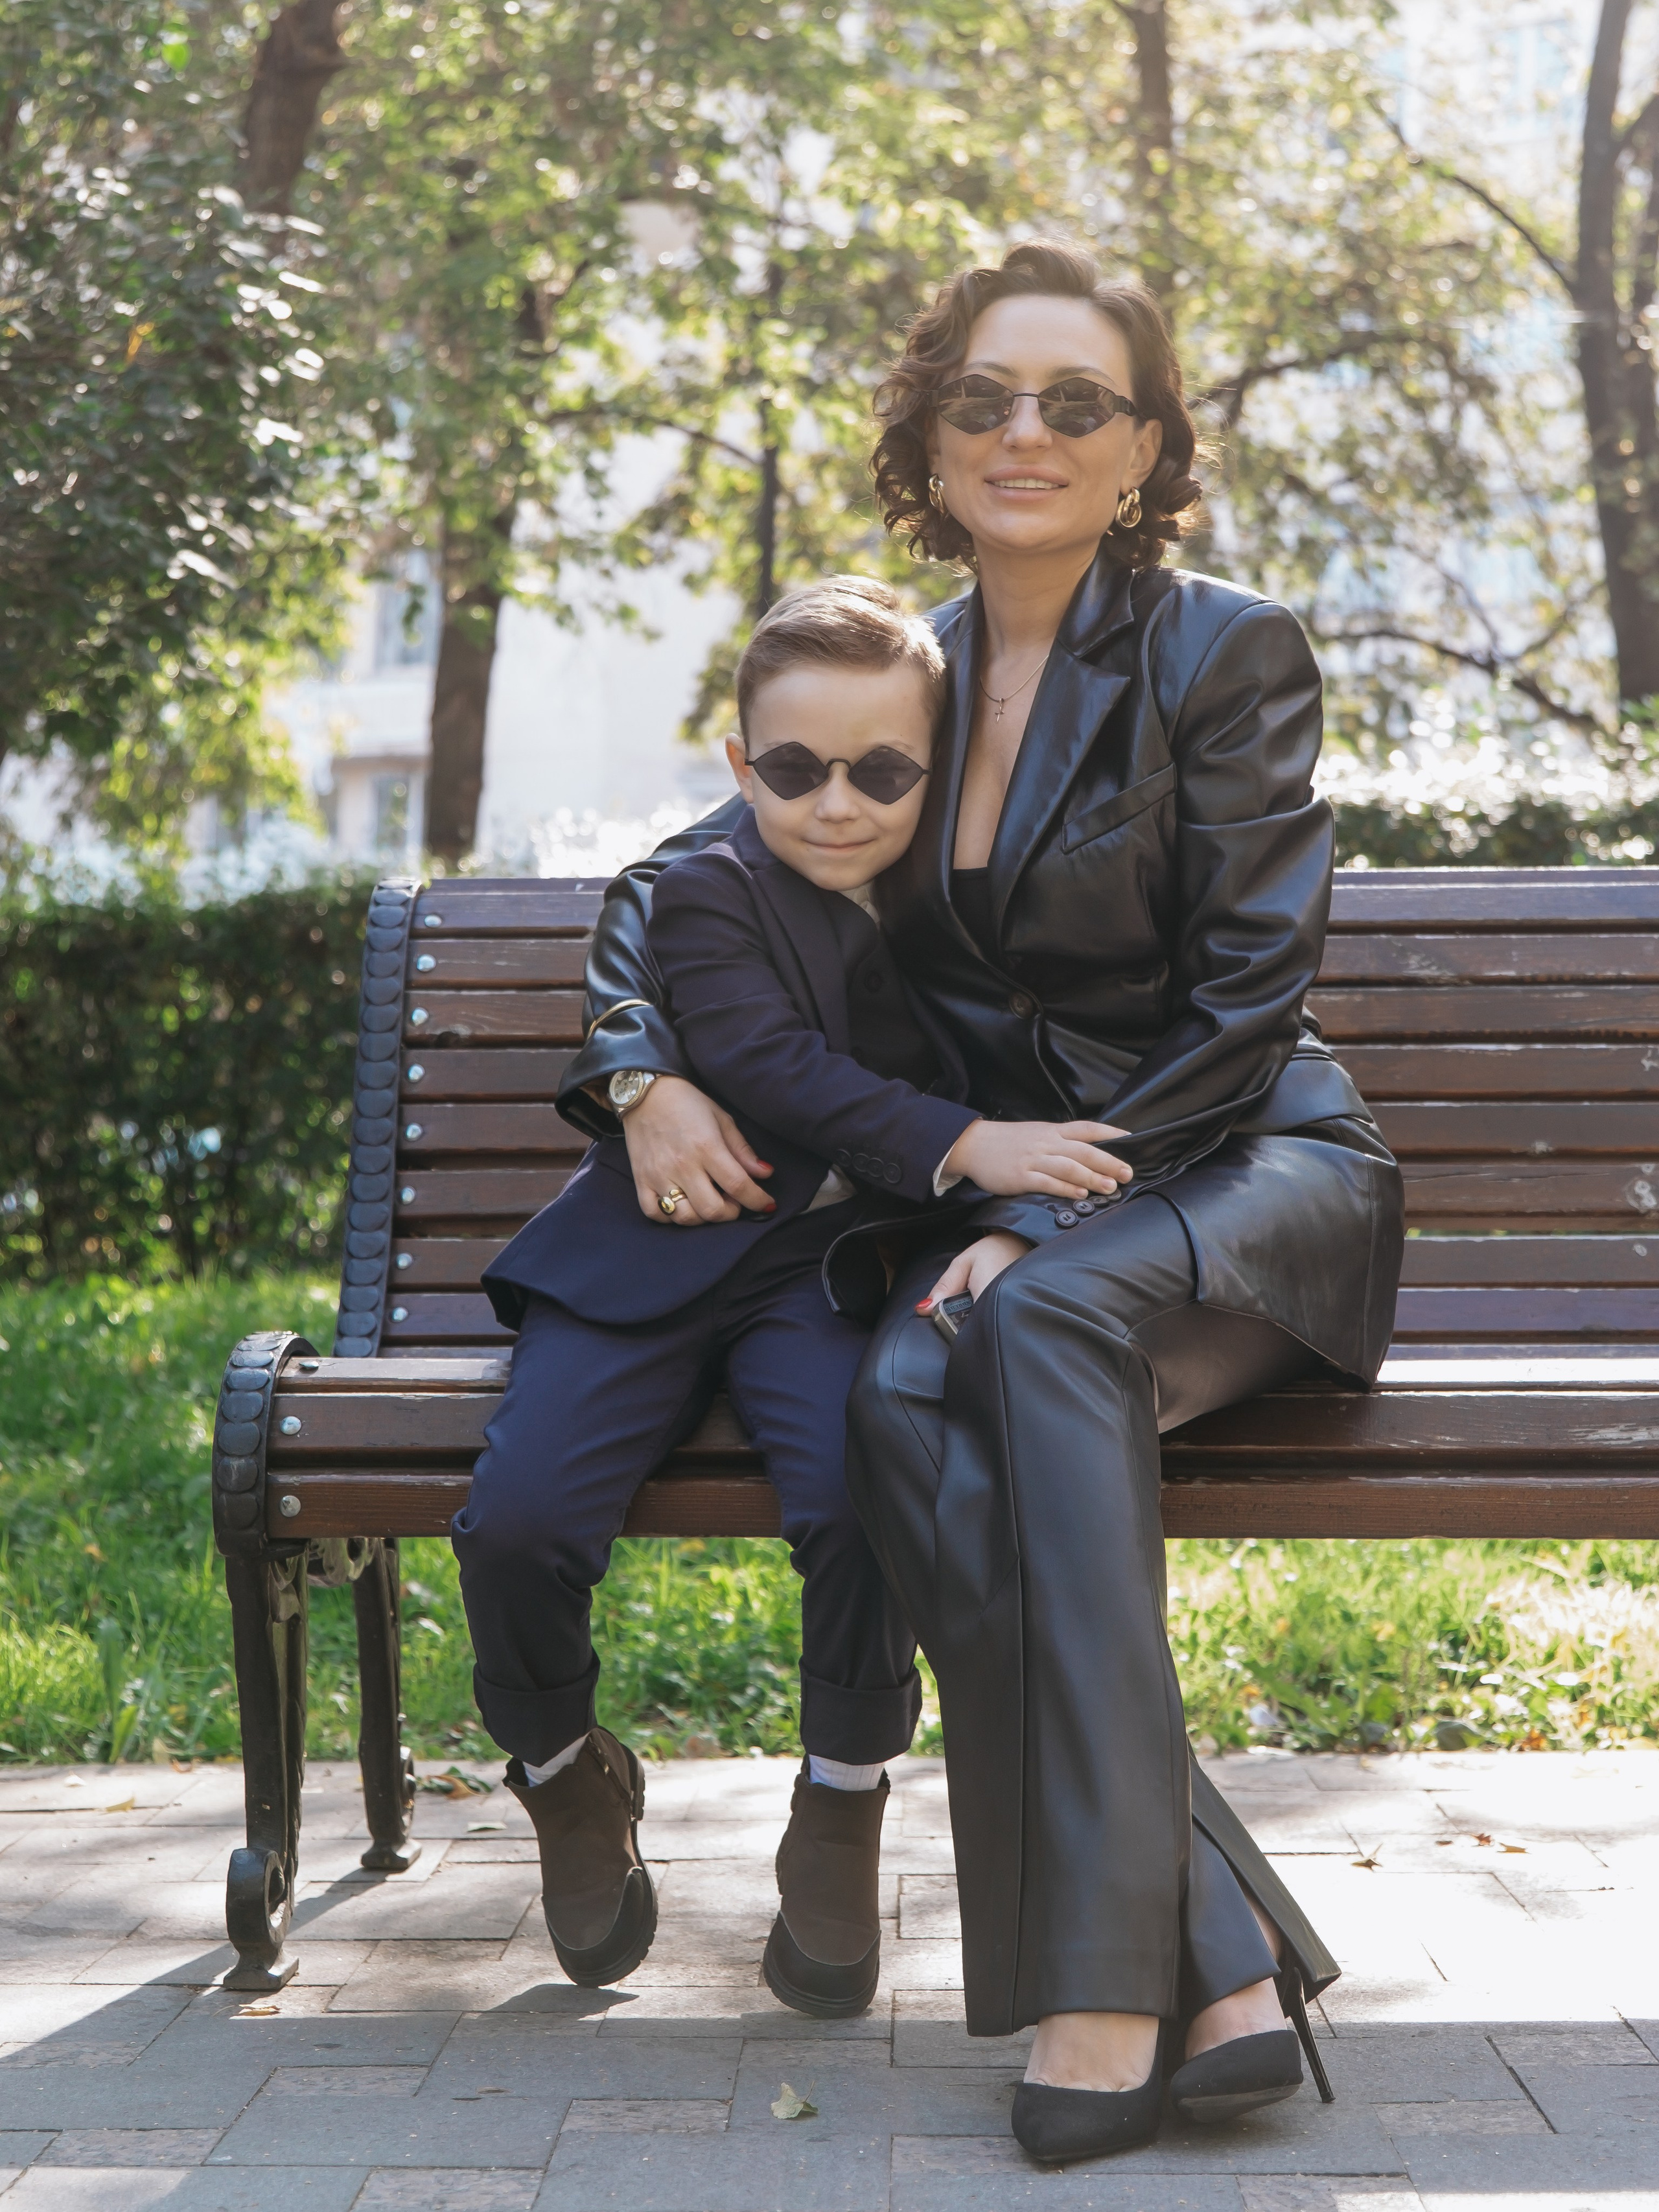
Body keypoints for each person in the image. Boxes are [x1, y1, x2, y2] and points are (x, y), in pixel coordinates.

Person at [558, 240, 1405, 2161]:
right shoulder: (904, 673)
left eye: (1075, 402)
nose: (1026, 431)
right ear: (931, 439)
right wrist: (643, 1062)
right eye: (984, 398)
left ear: (1143, 449)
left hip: (1249, 1170)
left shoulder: (1223, 648)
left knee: (1022, 1322)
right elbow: (672, 881)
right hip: (1031, 1208)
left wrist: (1049, 1210)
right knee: (893, 1401)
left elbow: (1251, 990)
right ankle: (1217, 1936)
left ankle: (1109, 1983)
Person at [454, 575, 1136, 2021]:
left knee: (858, 1488)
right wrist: (961, 1144)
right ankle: (564, 1777)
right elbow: (767, 1062)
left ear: (932, 766)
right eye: (793, 768)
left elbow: (1056, 1076)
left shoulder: (975, 912)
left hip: (828, 1279)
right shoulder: (708, 892)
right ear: (737, 765)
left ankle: (841, 1797)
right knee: (517, 1518)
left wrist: (1007, 1200)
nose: (836, 802)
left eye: (882, 770)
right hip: (650, 1257)